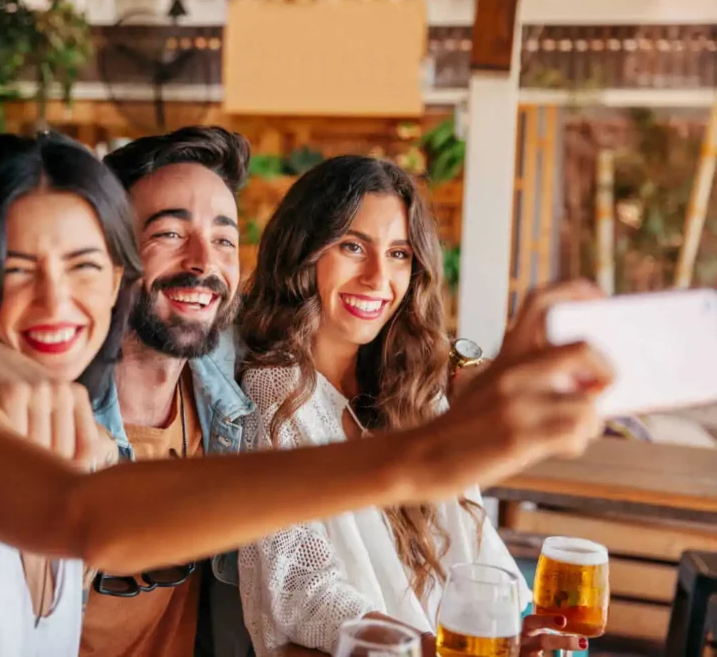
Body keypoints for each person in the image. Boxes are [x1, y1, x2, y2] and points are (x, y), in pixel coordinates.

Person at [0, 128, 608, 657]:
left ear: (111, 281)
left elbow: (347, 361)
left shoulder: (144, 406)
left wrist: (468, 374)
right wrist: (428, 457)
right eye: (16, 266)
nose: (57, 298)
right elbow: (91, 515)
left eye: (80, 265)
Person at [236, 155, 590, 657]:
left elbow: (468, 533)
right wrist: (433, 649)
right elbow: (303, 590)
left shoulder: (412, 384)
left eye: (399, 253)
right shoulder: (275, 391)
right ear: (303, 253)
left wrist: (508, 630)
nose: (378, 276)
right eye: (353, 246)